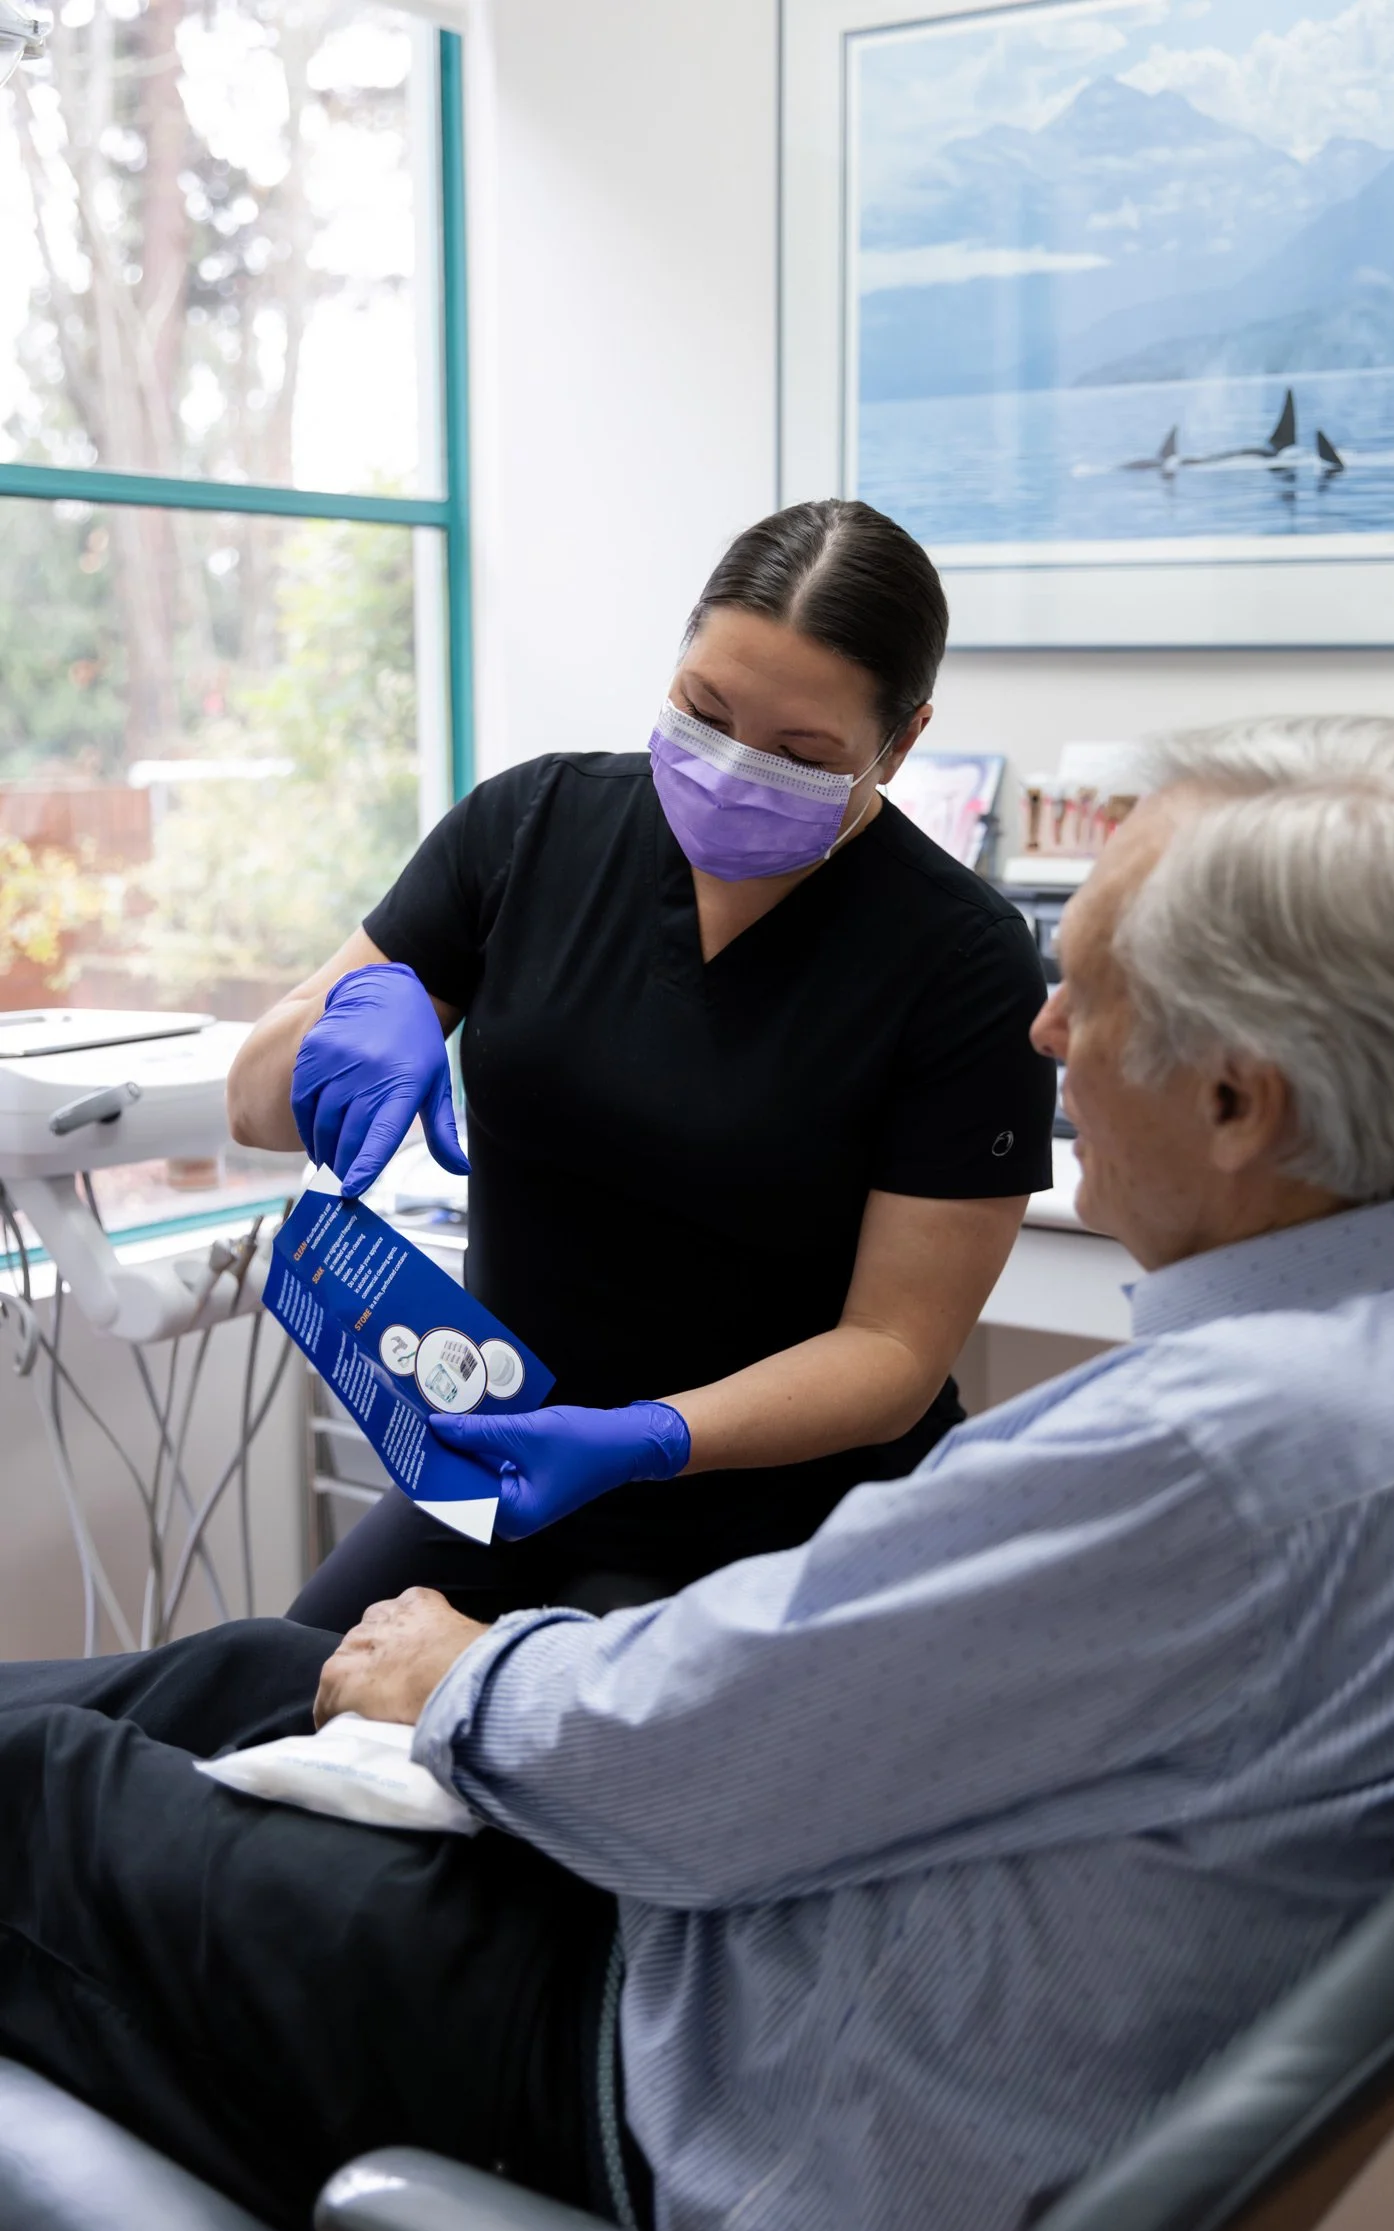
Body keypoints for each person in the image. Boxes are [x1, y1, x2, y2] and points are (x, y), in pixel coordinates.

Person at [4, 717, 1394, 2231]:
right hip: (802, 1916)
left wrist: (469, 1671)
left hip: (681, 2063)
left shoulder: (1225, 1448)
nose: (1049, 1035)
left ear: (1240, 1104)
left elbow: (688, 1758)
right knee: (254, 1670)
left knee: (49, 1793)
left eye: (1097, 998)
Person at [226, 499, 1057, 1629]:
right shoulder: (534, 825)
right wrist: (358, 1007)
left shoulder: (960, 961)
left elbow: (894, 1350)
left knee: (535, 1779)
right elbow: (254, 1105)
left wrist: (653, 1437)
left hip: (780, 1513)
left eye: (799, 753)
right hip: (500, 1464)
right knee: (276, 1698)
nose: (731, 767)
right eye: (704, 711)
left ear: (900, 744)